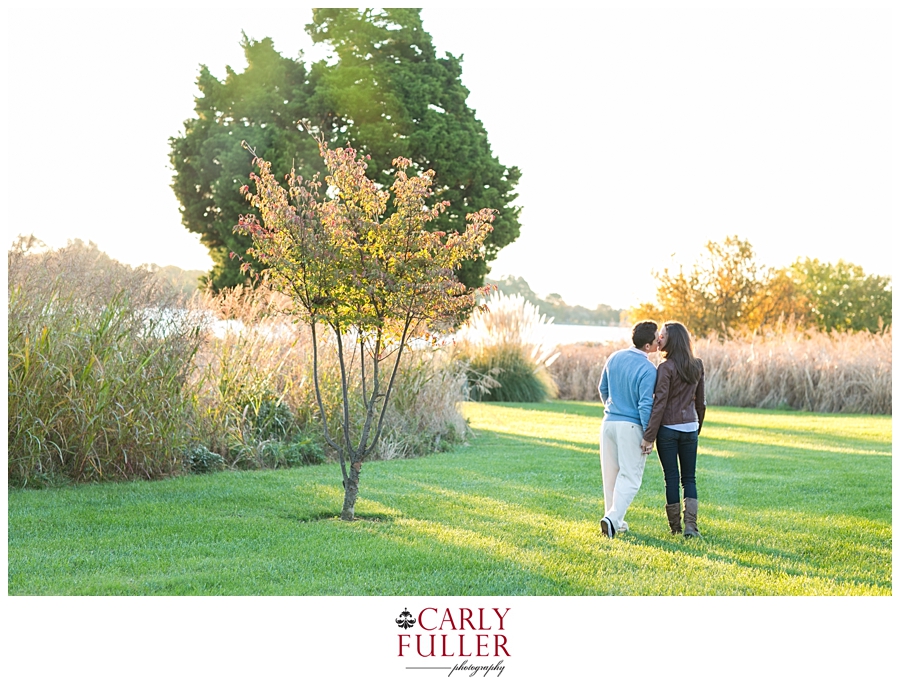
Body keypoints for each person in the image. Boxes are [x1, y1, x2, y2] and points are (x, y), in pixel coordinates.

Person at [641, 321, 706, 537]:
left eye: (662, 335)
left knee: (671, 477)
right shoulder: (697, 365)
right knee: (689, 478)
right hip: (689, 428)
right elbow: (701, 404)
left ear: (672, 339)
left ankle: (676, 528)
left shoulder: (666, 368)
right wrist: (696, 429)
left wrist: (649, 436)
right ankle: (691, 527)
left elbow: (659, 404)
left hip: (668, 430)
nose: (659, 338)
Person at [598, 320, 659, 538]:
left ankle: (615, 522)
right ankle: (612, 519)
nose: (659, 341)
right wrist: (648, 435)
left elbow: (602, 388)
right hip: (631, 426)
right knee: (631, 478)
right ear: (647, 346)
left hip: (608, 424)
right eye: (657, 338)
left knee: (611, 476)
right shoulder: (648, 369)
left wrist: (612, 407)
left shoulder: (614, 357)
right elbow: (645, 404)